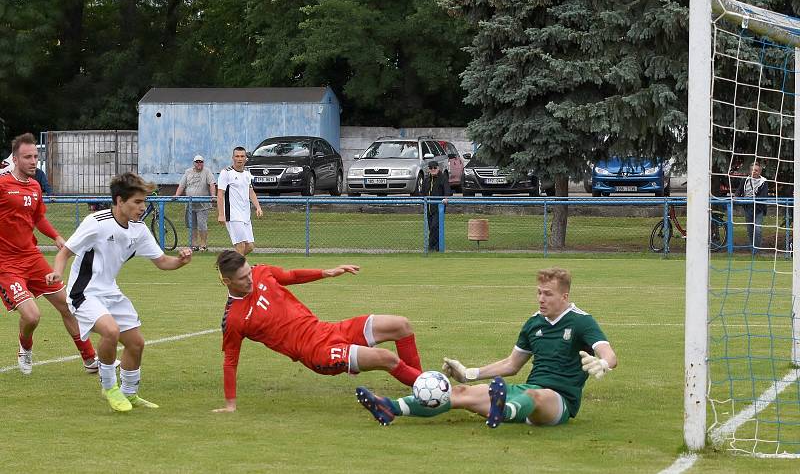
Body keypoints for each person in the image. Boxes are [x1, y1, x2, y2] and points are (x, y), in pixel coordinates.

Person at [355, 267, 618, 428]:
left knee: (538, 397)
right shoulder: (533, 323)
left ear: (564, 296)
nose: (540, 298)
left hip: (559, 402)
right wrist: (468, 373)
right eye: (538, 292)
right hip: (524, 389)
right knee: (460, 392)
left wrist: (602, 363)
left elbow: (609, 353)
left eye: (547, 294)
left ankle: (503, 411)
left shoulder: (582, 321)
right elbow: (511, 365)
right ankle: (390, 407)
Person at [45, 172, 193, 412]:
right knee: (111, 331)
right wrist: (58, 273)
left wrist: (180, 261)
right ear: (119, 201)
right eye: (137, 202)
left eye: (144, 202)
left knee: (136, 343)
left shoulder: (139, 230)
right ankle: (109, 386)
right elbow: (65, 252)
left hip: (110, 292)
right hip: (83, 293)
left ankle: (129, 393)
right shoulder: (96, 222)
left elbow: (162, 261)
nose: (142, 208)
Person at [212, 250, 423, 413]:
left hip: (325, 329)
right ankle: (432, 391)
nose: (250, 279)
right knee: (386, 358)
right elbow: (230, 361)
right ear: (227, 281)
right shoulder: (234, 319)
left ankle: (421, 387)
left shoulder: (260, 272)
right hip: (315, 352)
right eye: (243, 278)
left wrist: (326, 272)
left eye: (249, 272)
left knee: (401, 325)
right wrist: (230, 404)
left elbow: (290, 275)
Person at [0, 133, 98, 375]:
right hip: (6, 263)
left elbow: (38, 218)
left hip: (32, 258)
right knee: (32, 316)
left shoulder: (35, 186)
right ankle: (25, 346)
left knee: (67, 305)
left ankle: (89, 358)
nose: (33, 161)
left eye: (35, 156)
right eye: (27, 157)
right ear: (15, 159)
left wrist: (56, 237)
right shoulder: (2, 185)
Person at [217, 146, 262, 255]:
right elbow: (220, 194)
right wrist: (221, 214)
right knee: (240, 245)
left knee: (250, 246)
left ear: (246, 158)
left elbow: (251, 192)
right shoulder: (226, 173)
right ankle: (238, 270)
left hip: (245, 215)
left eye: (242, 156)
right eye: (237, 156)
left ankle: (229, 263)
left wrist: (258, 207)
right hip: (233, 215)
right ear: (233, 157)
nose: (240, 159)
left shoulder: (247, 174)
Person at [175, 154, 216, 251]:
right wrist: (176, 195)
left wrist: (213, 196)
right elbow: (182, 185)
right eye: (197, 162)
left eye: (200, 162)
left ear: (203, 163)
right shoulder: (188, 172)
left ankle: (203, 245)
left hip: (202, 204)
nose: (199, 163)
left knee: (202, 224)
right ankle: (194, 244)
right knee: (192, 224)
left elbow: (212, 184)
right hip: (190, 203)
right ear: (194, 163)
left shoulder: (207, 171)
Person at [735, 162, 770, 253]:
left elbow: (763, 196)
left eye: (756, 170)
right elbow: (739, 190)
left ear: (760, 172)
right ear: (750, 171)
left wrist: (755, 201)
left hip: (758, 208)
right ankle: (753, 249)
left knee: (757, 229)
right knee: (750, 229)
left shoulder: (763, 182)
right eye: (752, 170)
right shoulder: (745, 180)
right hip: (748, 207)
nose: (754, 172)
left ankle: (756, 250)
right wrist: (736, 197)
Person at [420, 160, 451, 252]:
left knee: (435, 226)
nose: (433, 169)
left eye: (434, 168)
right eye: (431, 168)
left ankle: (431, 246)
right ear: (428, 169)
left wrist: (446, 198)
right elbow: (423, 192)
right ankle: (436, 247)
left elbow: (447, 190)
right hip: (428, 208)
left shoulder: (443, 178)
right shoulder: (426, 180)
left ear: (438, 168)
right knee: (432, 227)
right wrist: (422, 200)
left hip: (439, 207)